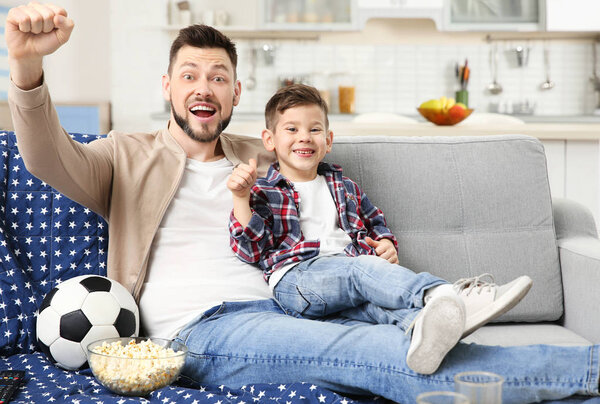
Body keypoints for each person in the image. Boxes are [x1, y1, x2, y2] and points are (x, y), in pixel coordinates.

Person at [5, 3, 600, 402]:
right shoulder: (124, 156)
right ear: (168, 88)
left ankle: (441, 313)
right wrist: (28, 70)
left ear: (237, 91)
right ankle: (588, 370)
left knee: (416, 345)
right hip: (206, 328)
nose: (202, 88)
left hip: (301, 302)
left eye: (217, 76)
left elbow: (330, 189)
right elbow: (46, 158)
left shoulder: (269, 154)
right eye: (189, 75)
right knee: (387, 357)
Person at [227, 83, 532, 374]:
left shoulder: (344, 187)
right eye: (291, 129)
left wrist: (385, 244)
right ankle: (447, 293)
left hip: (344, 283)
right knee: (361, 270)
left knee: (381, 310)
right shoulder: (265, 191)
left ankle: (425, 337)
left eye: (314, 129)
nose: (304, 137)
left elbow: (375, 222)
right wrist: (241, 198)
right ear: (270, 140)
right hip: (296, 281)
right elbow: (251, 249)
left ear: (329, 140)